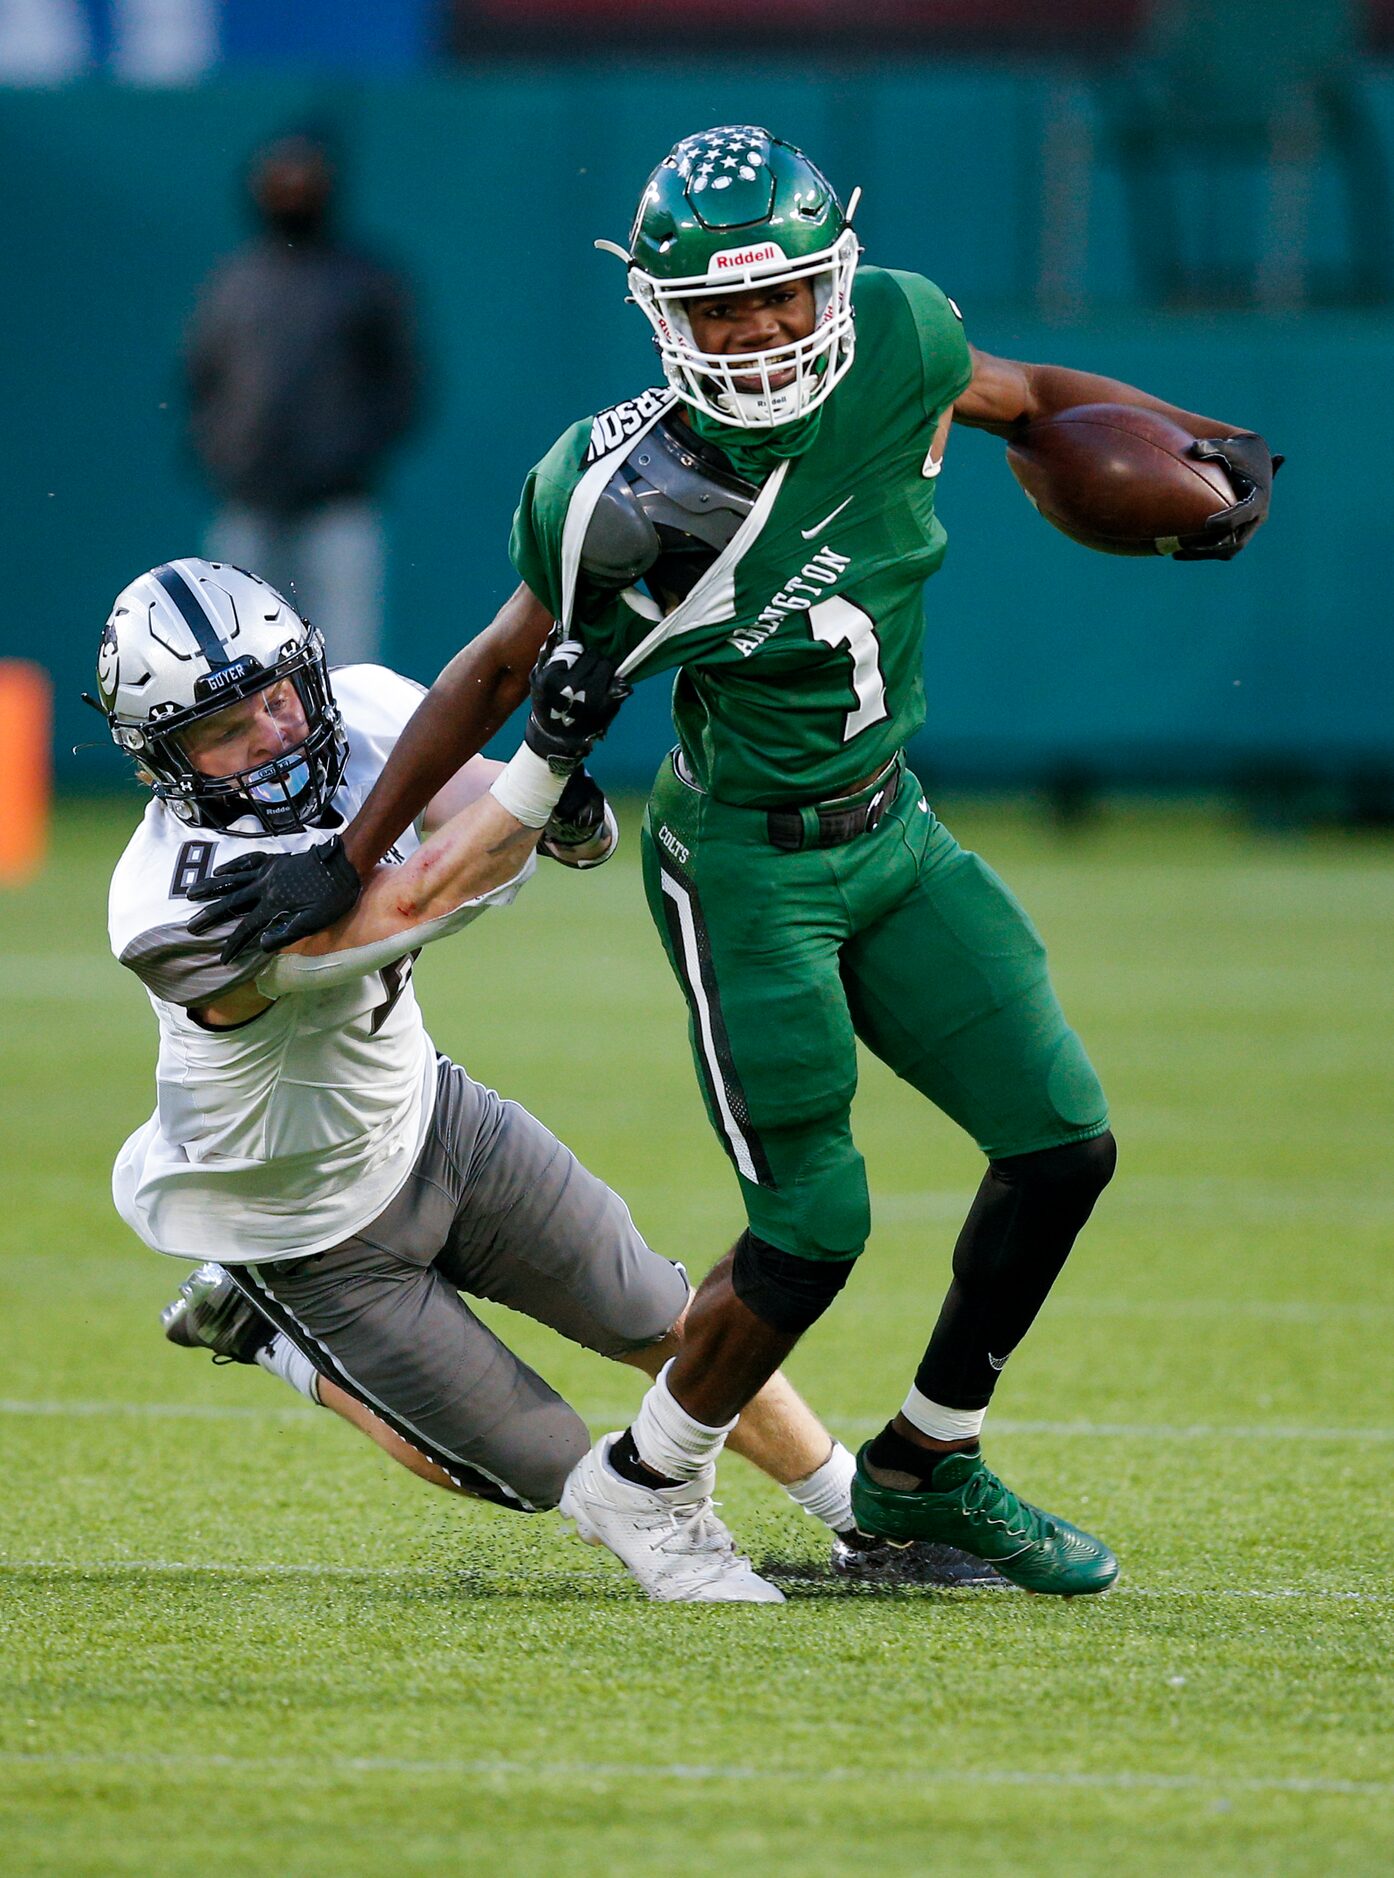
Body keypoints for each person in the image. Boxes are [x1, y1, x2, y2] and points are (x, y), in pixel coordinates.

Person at [182, 127, 1279, 1603]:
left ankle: (921, 1467)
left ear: (831, 281)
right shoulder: (612, 494)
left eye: (778, 300)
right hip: (749, 864)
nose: (757, 332)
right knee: (813, 1225)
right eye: (718, 309)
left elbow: (1026, 400)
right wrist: (351, 856)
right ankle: (651, 1476)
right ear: (662, 315)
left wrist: (1192, 436)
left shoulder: (894, 331)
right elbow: (496, 667)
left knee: (1060, 1143)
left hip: (890, 824)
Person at [101, 555, 995, 1600]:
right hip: (301, 1223)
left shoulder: (366, 710)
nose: (273, 734)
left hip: (435, 1120)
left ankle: (860, 1518)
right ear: (161, 760)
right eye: (222, 729)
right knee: (529, 1463)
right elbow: (415, 900)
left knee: (665, 1318)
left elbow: (531, 824)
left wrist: (556, 796)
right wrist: (543, 763)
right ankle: (270, 1335)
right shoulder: (165, 906)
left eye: (277, 695)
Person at [185, 133, 421, 664]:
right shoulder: (235, 283)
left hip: (338, 506)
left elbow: (402, 386)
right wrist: (227, 457)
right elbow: (200, 381)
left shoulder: (364, 280)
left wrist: (347, 456)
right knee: (236, 664)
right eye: (280, 183)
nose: (292, 196)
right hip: (249, 503)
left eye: (304, 183)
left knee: (343, 666)